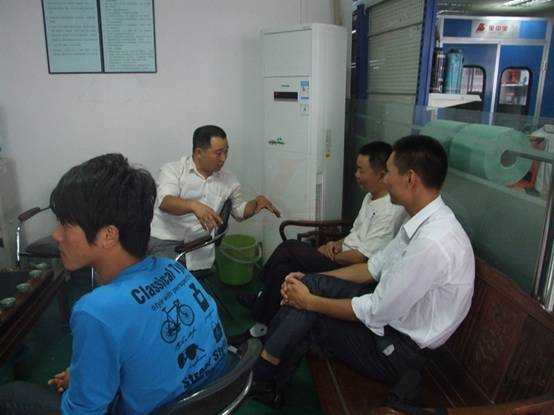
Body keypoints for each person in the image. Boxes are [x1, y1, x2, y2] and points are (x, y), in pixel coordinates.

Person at [250, 135, 475, 410]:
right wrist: (308, 281)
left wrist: (310, 301)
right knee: (308, 287)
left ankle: (263, 376)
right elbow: (372, 267)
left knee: (311, 313)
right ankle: (265, 373)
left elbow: (376, 310)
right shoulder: (421, 221)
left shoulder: (432, 243)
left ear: (410, 179)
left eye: (389, 172)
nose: (385, 179)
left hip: (400, 352)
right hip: (391, 323)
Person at [0, 154, 228, 415]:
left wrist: (83, 385)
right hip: (209, 399)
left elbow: (84, 413)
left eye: (66, 224)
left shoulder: (95, 311)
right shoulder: (173, 269)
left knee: (11, 395)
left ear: (108, 235)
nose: (56, 235)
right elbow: (146, 346)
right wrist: (85, 371)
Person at [235, 141, 407, 340]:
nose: (356, 175)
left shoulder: (389, 211)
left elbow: (361, 258)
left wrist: (330, 255)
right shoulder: (370, 197)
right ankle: (263, 320)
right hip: (338, 254)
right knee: (284, 268)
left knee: (289, 248)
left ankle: (262, 295)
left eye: (361, 170)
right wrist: (335, 244)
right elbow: (354, 235)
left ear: (381, 174)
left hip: (347, 268)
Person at [148, 125, 280, 270]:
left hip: (199, 246)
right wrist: (193, 206)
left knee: (178, 281)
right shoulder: (172, 170)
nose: (224, 158)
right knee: (161, 280)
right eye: (218, 153)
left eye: (226, 151)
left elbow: (239, 212)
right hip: (165, 241)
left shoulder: (229, 180)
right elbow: (165, 202)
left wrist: (255, 203)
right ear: (199, 153)